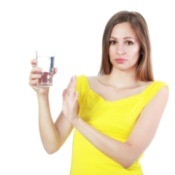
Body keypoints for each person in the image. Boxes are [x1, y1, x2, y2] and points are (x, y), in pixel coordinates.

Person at [29, 10, 169, 175]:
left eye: (129, 42)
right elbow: (51, 145)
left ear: (142, 48)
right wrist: (42, 96)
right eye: (113, 42)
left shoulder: (155, 91)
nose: (120, 50)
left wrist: (77, 121)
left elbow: (128, 156)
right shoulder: (82, 85)